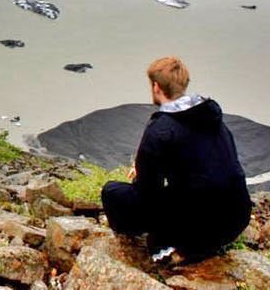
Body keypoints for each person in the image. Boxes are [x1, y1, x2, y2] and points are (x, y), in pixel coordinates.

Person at [101, 56, 252, 262]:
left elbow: (147, 192)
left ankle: (174, 249)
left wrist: (142, 169)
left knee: (112, 192)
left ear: (156, 87)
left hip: (199, 226)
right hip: (236, 217)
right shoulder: (211, 116)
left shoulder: (161, 129)